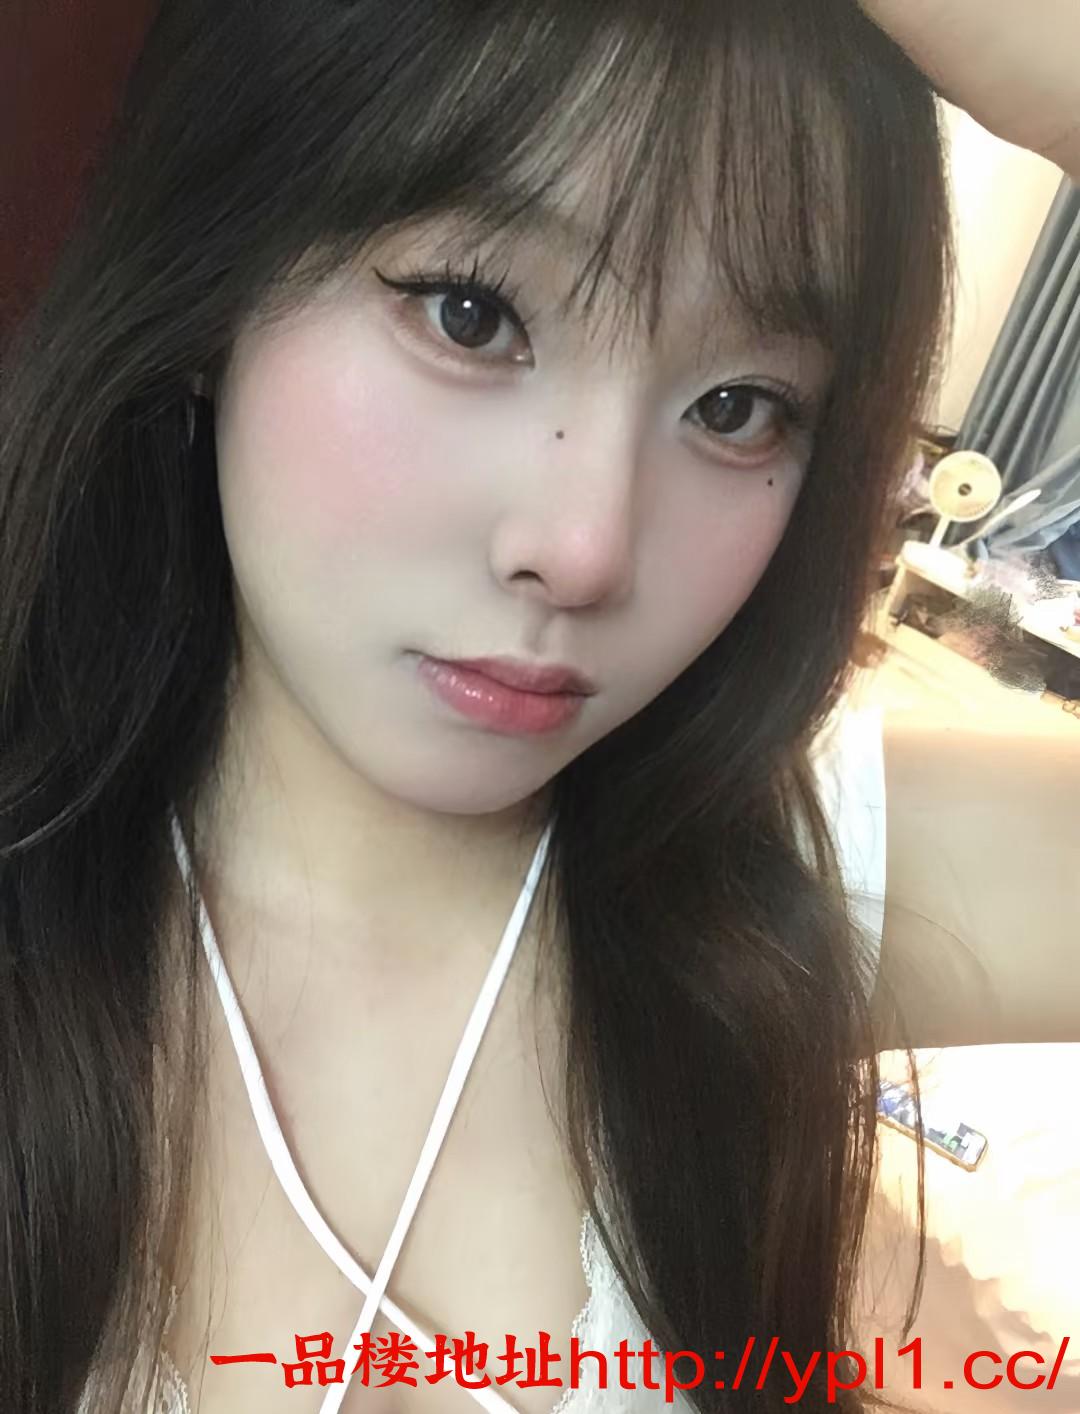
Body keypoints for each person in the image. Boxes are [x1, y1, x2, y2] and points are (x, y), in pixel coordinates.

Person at [0, 3, 1075, 1413]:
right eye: (473, 313)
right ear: (217, 276)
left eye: (737, 407)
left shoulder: (796, 874)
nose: (584, 548)